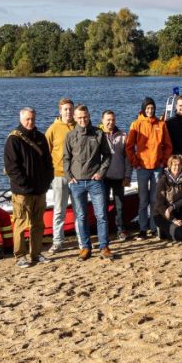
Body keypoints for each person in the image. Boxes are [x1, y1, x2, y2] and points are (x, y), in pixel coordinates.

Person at [4, 107, 55, 268]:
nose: (30, 122)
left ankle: (36, 253)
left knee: (38, 224)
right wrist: (25, 185)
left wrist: (47, 181)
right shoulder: (13, 140)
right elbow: (12, 168)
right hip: (22, 192)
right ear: (21, 119)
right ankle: (20, 255)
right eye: (27, 119)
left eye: (32, 119)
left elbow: (48, 162)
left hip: (40, 190)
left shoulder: (40, 137)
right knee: (20, 223)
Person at [63, 105, 113, 260]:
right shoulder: (70, 136)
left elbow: (107, 156)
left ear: (89, 116)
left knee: (101, 215)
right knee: (82, 216)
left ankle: (104, 246)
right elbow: (65, 159)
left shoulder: (98, 134)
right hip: (76, 183)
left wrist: (101, 173)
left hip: (95, 181)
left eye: (85, 117)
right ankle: (85, 248)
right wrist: (69, 176)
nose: (82, 120)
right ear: (75, 118)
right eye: (79, 118)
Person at [126, 97, 173, 240]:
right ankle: (142, 228)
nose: (150, 111)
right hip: (142, 168)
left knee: (155, 199)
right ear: (143, 109)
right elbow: (129, 146)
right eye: (148, 108)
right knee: (143, 200)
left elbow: (168, 146)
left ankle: (154, 227)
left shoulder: (161, 124)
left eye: (152, 108)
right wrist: (136, 163)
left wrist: (163, 162)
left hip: (157, 168)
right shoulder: (136, 124)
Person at [45, 98, 75, 254]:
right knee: (59, 210)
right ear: (60, 111)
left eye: (70, 109)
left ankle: (82, 240)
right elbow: (44, 152)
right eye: (65, 109)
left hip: (77, 176)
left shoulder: (78, 126)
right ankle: (57, 241)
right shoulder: (53, 129)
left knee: (79, 210)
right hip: (59, 175)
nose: (68, 112)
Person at [100, 110, 132, 241]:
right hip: (103, 177)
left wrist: (128, 176)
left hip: (119, 176)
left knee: (120, 206)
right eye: (108, 120)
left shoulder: (123, 136)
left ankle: (120, 230)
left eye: (112, 120)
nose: (110, 122)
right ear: (102, 121)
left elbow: (128, 159)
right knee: (103, 206)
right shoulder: (98, 135)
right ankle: (105, 231)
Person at [153, 155, 182, 241]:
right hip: (162, 214)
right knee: (179, 237)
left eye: (179, 164)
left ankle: (179, 228)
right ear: (170, 166)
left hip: (176, 210)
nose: (177, 167)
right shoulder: (163, 180)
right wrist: (173, 219)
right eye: (174, 165)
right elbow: (159, 204)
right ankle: (164, 231)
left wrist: (172, 206)